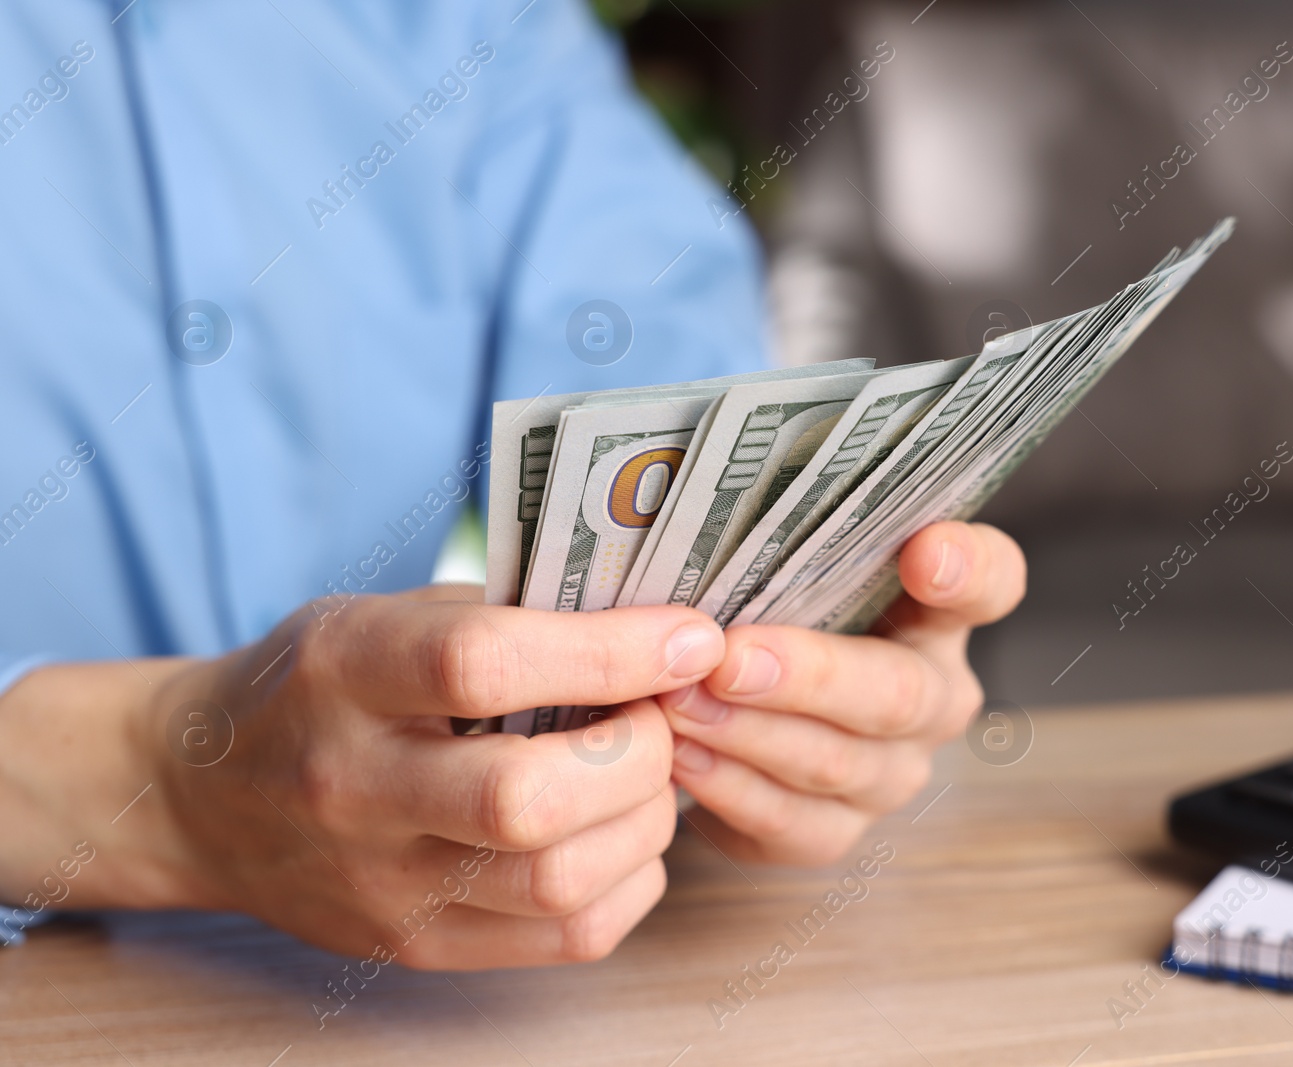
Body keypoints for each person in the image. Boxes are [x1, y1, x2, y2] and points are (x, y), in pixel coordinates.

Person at [0, 0, 1024, 968]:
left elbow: (668, 380)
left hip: (424, 1002)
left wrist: (791, 636)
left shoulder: (476, 25)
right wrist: (171, 791)